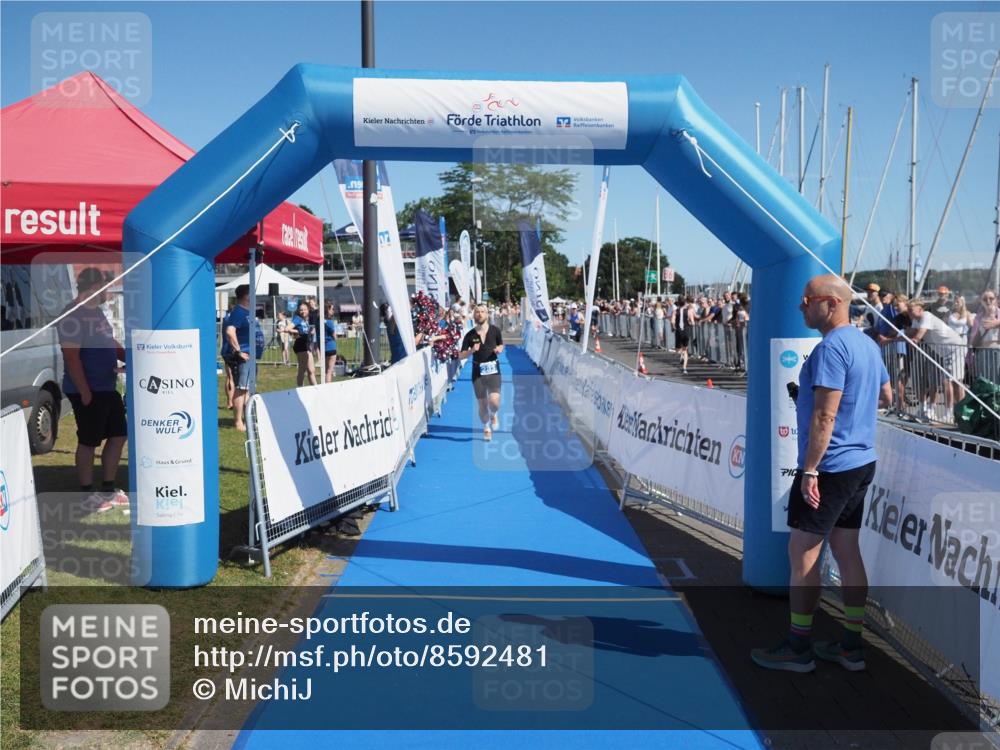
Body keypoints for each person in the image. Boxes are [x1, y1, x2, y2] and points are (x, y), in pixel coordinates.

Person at [752, 274, 891, 673]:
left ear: (830, 303)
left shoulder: (833, 347)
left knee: (802, 553)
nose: (801, 306)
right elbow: (885, 396)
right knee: (847, 550)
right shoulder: (866, 343)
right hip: (861, 461)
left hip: (830, 466)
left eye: (806, 300)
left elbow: (825, 415)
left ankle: (798, 648)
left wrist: (809, 470)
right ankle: (851, 645)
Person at [57, 267, 129, 513]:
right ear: (93, 287)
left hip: (107, 386)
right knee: (89, 441)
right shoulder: (72, 315)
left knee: (119, 434)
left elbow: (108, 341)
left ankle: (108, 489)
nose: (108, 291)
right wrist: (85, 391)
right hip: (87, 390)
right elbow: (72, 357)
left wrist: (128, 355)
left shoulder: (96, 312)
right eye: (105, 287)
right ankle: (87, 494)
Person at [909, 299, 964, 421]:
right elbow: (911, 333)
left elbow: (920, 333)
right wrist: (891, 339)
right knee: (954, 382)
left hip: (954, 348)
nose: (909, 313)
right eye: (908, 310)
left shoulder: (926, 316)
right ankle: (959, 414)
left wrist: (916, 340)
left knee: (949, 381)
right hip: (945, 353)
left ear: (920, 309)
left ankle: (950, 414)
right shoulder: (915, 320)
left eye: (911, 310)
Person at [459, 303, 504, 441]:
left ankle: (494, 414)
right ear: (474, 315)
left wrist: (500, 349)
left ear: (487, 314)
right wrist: (472, 350)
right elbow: (461, 355)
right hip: (478, 372)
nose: (479, 314)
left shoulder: (495, 330)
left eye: (482, 311)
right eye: (477, 312)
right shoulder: (470, 335)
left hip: (493, 369)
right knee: (483, 404)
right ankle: (486, 427)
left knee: (494, 402)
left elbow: (501, 344)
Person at [224, 284, 264, 432]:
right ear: (246, 296)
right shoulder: (238, 312)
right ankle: (238, 421)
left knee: (248, 389)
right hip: (245, 357)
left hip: (252, 357)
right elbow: (230, 331)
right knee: (242, 389)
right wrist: (239, 351)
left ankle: (248, 419)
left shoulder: (248, 312)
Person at [970, 291, 999, 384]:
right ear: (981, 301)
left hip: (997, 352)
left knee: (997, 382)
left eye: (991, 298)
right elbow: (973, 342)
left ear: (996, 300)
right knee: (985, 382)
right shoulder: (978, 317)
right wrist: (980, 330)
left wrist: (997, 323)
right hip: (982, 353)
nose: (988, 301)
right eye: (985, 299)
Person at [290, 300, 317, 387]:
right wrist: (299, 331)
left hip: (307, 345)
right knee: (302, 370)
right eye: (301, 310)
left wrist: (309, 331)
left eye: (305, 309)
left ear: (308, 310)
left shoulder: (306, 320)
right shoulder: (297, 319)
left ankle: (315, 388)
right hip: (301, 345)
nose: (303, 311)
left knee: (311, 370)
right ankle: (300, 389)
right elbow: (287, 328)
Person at [673, 296, 694, 374]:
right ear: (685, 303)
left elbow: (672, 321)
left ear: (678, 303)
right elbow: (692, 322)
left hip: (678, 331)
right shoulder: (689, 311)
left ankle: (681, 356)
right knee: (685, 350)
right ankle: (684, 368)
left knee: (678, 350)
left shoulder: (675, 311)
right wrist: (690, 323)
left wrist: (673, 327)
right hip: (686, 331)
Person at [320, 300, 338, 383]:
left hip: (324, 347)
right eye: (332, 309)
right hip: (331, 347)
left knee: (325, 370)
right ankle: (328, 387)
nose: (333, 311)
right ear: (328, 309)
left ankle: (325, 385)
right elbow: (334, 336)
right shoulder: (330, 322)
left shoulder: (320, 321)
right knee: (329, 371)